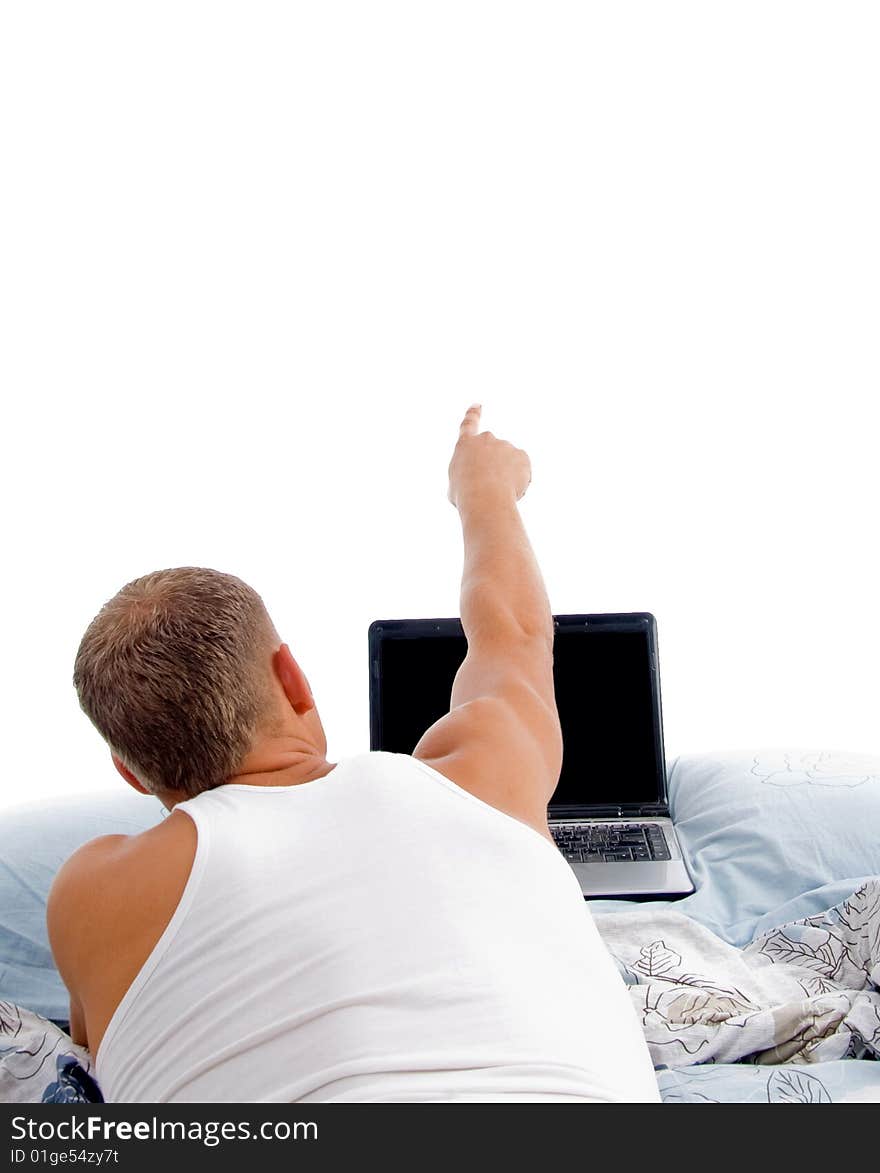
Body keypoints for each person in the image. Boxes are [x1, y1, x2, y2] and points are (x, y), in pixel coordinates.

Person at [48, 405, 660, 1103]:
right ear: (293, 678)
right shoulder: (483, 771)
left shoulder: (89, 895)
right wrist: (484, 487)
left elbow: (98, 1039)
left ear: (130, 772)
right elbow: (515, 632)